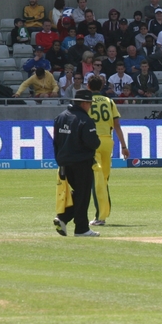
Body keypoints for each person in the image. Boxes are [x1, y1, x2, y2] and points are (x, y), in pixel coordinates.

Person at [53, 89, 101, 237]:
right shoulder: (84, 120)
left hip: (64, 162)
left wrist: (60, 159)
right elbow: (93, 143)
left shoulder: (61, 117)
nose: (90, 107)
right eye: (90, 104)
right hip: (81, 162)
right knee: (83, 194)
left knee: (78, 193)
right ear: (84, 103)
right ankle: (80, 228)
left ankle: (63, 218)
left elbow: (56, 142)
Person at [84, 76, 130, 226]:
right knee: (103, 179)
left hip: (92, 142)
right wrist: (124, 146)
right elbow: (117, 125)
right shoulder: (109, 102)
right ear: (102, 86)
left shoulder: (86, 102)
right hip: (108, 142)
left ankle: (100, 216)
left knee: (96, 180)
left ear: (89, 86)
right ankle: (104, 214)